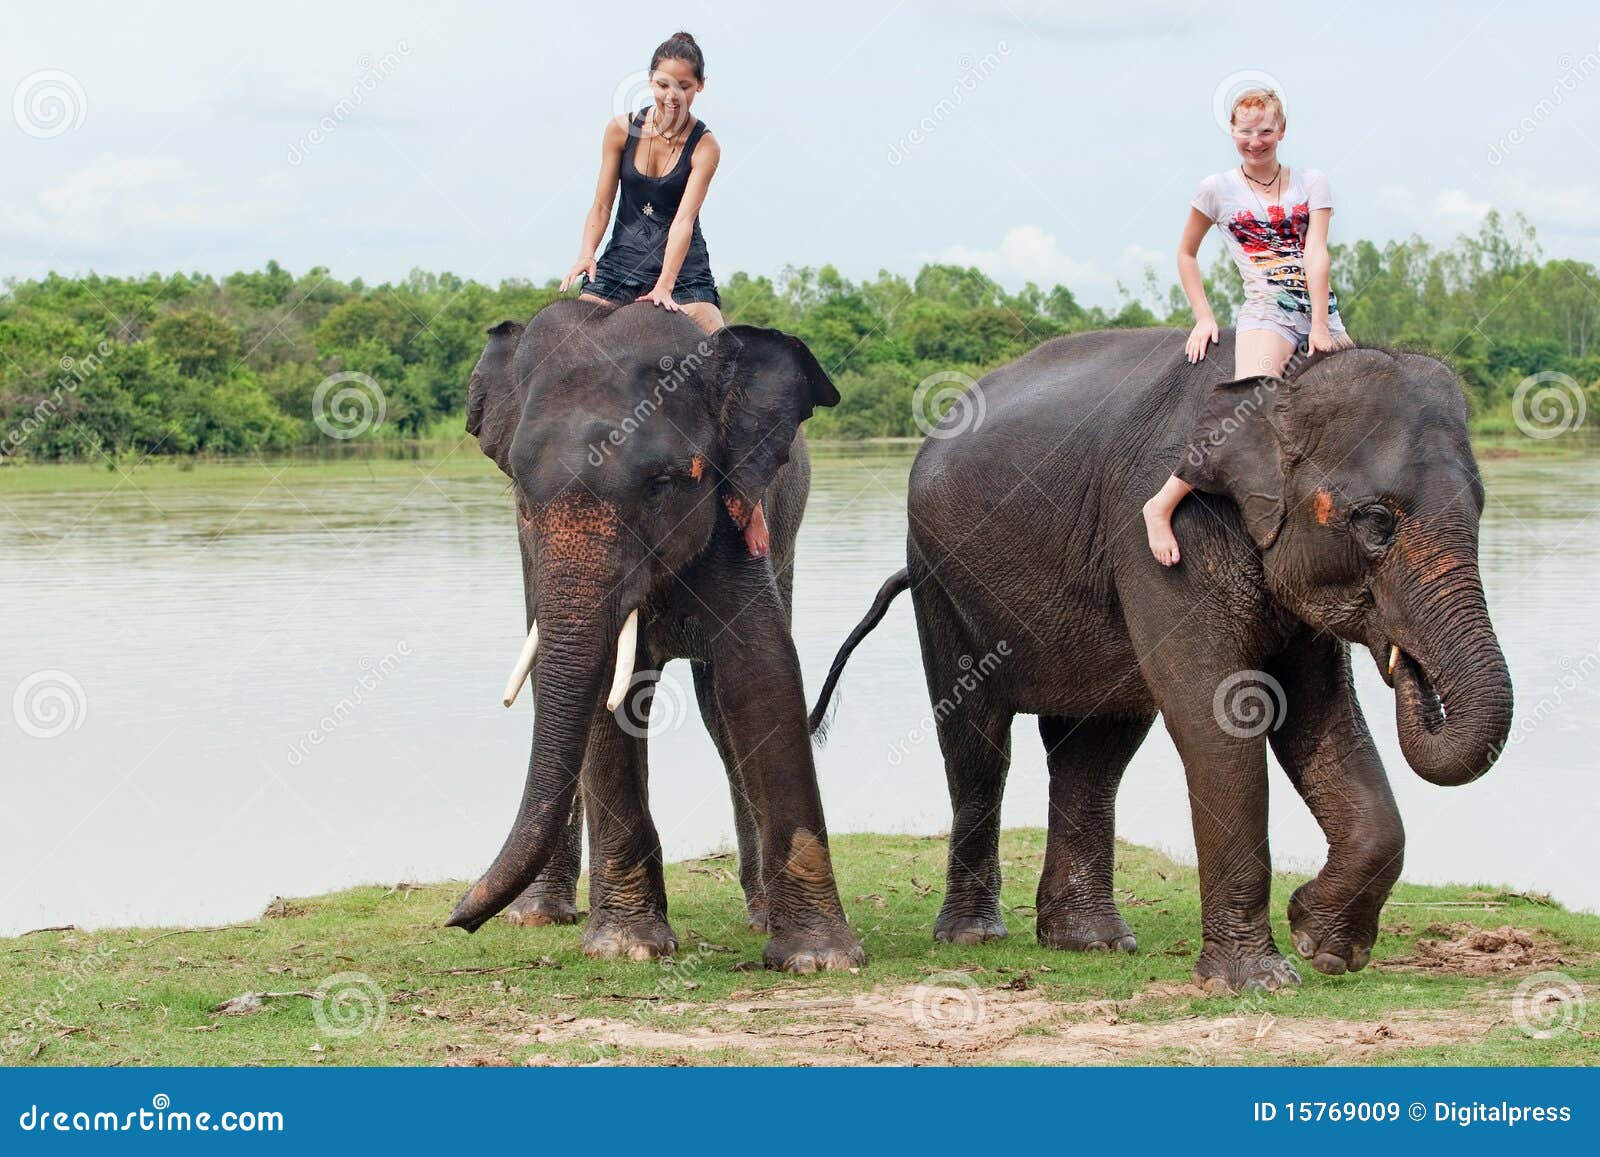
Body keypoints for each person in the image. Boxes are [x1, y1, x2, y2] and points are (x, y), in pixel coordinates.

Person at [558, 31, 770, 557]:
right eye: (661, 83)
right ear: (648, 81)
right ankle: (563, 490)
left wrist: (665, 288)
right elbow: (601, 203)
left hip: (684, 274)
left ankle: (751, 502)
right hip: (616, 270)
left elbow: (683, 222)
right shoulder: (619, 131)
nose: (670, 94)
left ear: (699, 87)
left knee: (727, 366)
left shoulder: (706, 146)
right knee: (563, 353)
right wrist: (586, 255)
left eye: (683, 85)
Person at [1142, 87, 1354, 566]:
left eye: (1265, 131)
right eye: (1245, 131)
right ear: (1232, 132)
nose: (1255, 141)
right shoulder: (1216, 189)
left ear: (1281, 131)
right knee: (1250, 405)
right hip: (1266, 312)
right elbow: (1186, 253)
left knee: (1360, 407)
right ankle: (1161, 504)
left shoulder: (1311, 182)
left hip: (1321, 308)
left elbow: (1316, 252)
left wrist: (1321, 326)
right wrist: (1204, 316)